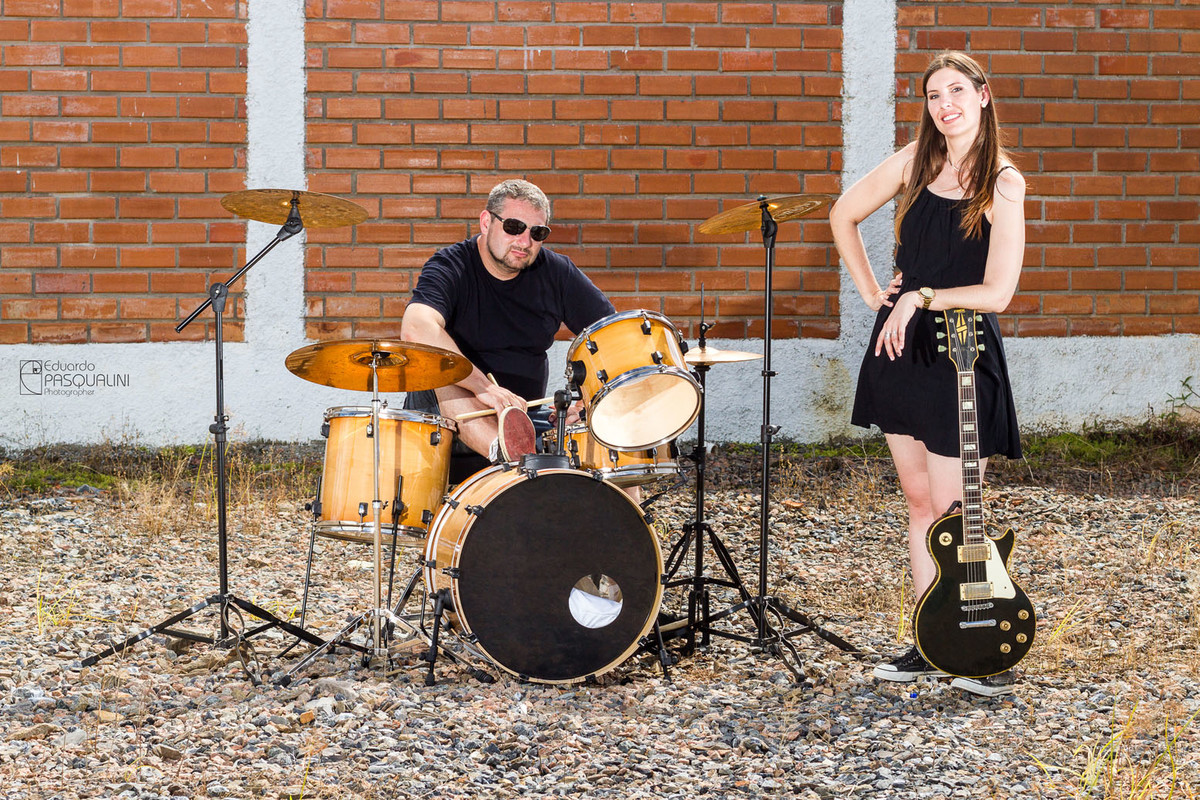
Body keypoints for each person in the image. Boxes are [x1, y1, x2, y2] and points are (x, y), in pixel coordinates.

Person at [829, 52, 1026, 698]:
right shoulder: (916, 158)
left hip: (961, 353)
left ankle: (984, 644)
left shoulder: (1003, 183)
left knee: (956, 509)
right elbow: (842, 213)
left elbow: (997, 291)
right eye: (935, 94)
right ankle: (930, 638)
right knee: (919, 503)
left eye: (958, 91)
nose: (946, 104)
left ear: (984, 96)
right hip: (902, 350)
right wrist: (873, 296)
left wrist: (922, 296)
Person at [400, 178, 614, 465]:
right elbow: (416, 328)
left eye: (537, 233)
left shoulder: (557, 273)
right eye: (514, 227)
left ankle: (630, 510)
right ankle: (503, 455)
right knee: (443, 373)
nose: (524, 242)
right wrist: (484, 389)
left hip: (523, 417)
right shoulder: (451, 265)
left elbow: (613, 338)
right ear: (486, 222)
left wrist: (588, 402)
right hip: (444, 414)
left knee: (607, 436)